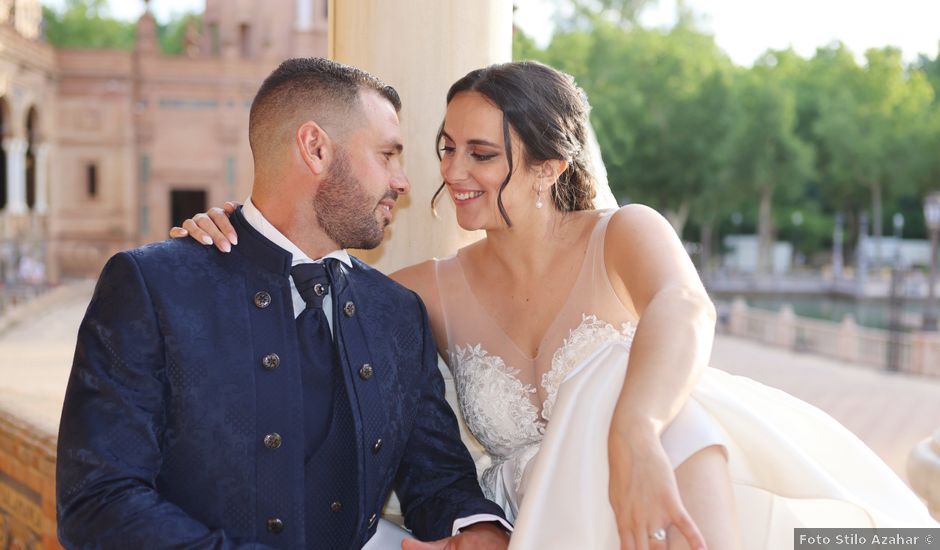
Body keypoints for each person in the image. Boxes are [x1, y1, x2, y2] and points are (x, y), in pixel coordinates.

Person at [175, 60, 939, 549]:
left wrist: (635, 437)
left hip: (660, 483)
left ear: (548, 167)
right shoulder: (422, 292)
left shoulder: (623, 234)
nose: (453, 171)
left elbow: (684, 305)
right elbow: (309, 287)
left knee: (615, 371)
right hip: (538, 522)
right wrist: (227, 238)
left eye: (482, 153)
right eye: (445, 147)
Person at [57, 57, 511, 550]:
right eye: (387, 155)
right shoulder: (155, 286)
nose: (402, 182)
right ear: (315, 148)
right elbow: (97, 502)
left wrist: (478, 530)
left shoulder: (398, 313)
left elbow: (438, 478)